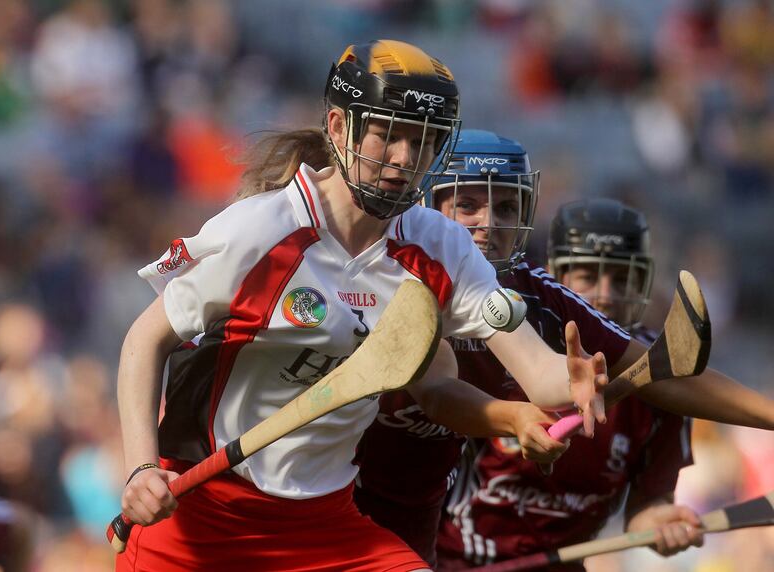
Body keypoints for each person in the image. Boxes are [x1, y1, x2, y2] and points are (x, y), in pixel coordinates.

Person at [114, 42, 607, 572]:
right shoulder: (259, 231)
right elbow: (146, 339)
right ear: (338, 126)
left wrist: (574, 379)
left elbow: (539, 373)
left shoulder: (440, 248)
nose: (403, 160)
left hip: (325, 527)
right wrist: (141, 468)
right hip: (202, 520)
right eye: (388, 133)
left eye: (422, 142)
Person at [352, 130, 774, 569]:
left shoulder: (539, 299)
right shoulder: (383, 281)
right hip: (350, 505)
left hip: (434, 535)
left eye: (507, 207)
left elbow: (663, 374)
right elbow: (439, 395)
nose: (489, 224)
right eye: (468, 204)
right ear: (429, 206)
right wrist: (514, 417)